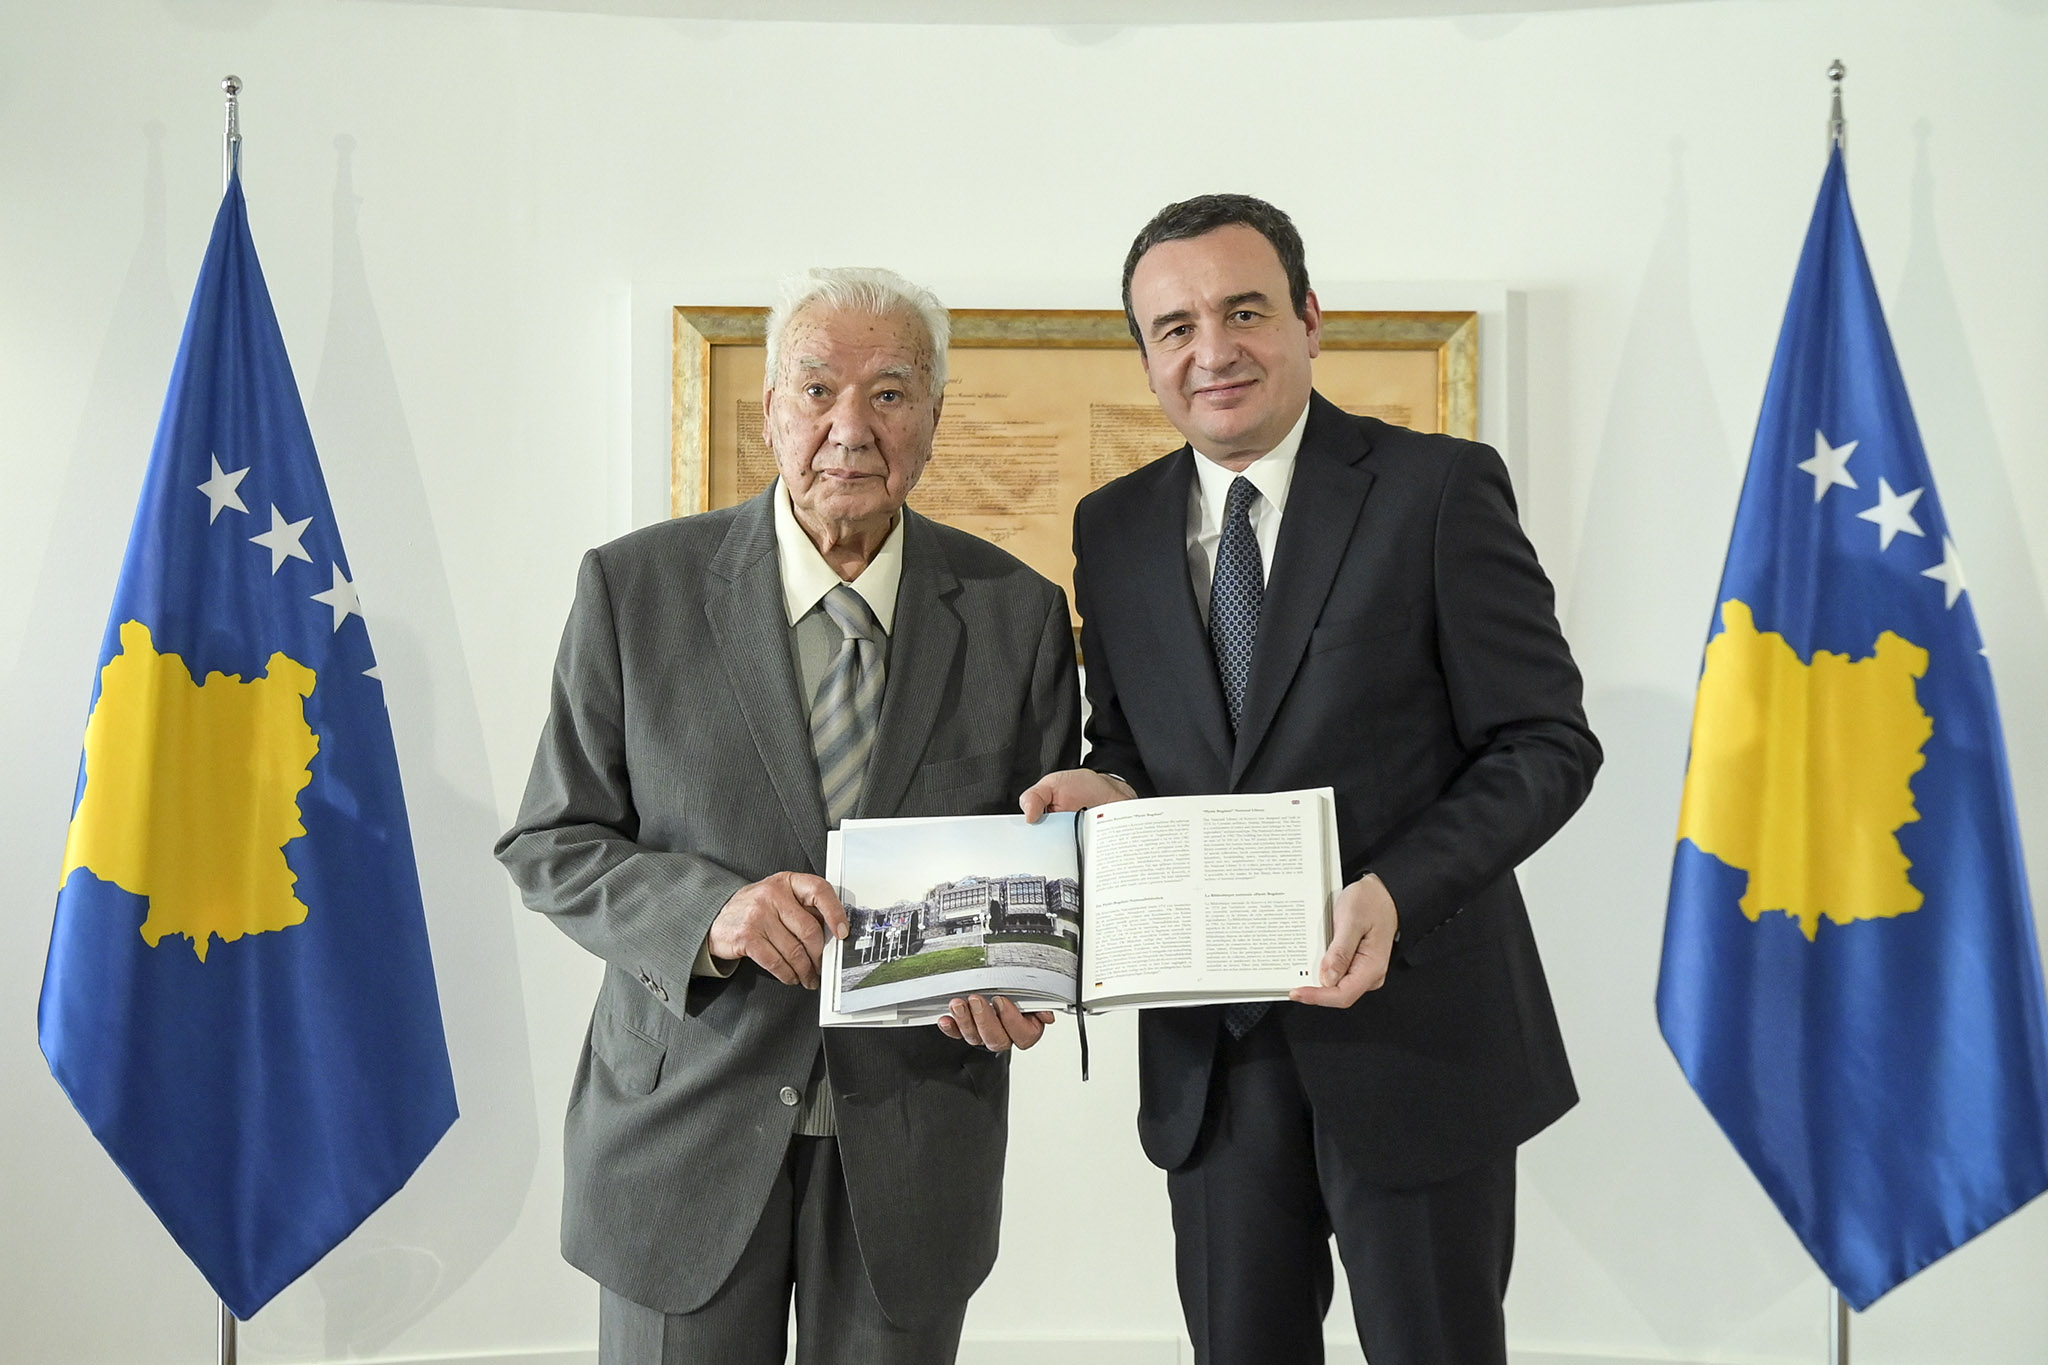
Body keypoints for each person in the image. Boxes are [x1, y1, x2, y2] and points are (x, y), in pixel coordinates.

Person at [1023, 195, 1600, 1364]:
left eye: (1243, 311)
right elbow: (1136, 743)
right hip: (1212, 1061)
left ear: (1307, 320)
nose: (1212, 349)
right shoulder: (1112, 527)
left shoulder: (1436, 490)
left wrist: (1395, 890)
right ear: (1145, 358)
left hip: (1418, 1039)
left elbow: (1543, 743)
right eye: (1173, 327)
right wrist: (1107, 790)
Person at [499, 266, 1080, 1365]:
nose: (848, 428)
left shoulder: (1019, 617)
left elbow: (1040, 879)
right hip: (679, 1131)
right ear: (767, 410)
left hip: (916, 1136)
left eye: (890, 394)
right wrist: (708, 914)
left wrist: (1023, 979)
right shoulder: (635, 592)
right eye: (815, 390)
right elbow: (551, 844)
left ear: (934, 421)